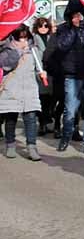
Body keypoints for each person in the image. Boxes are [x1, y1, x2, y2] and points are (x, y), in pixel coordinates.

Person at [52, 0, 84, 154]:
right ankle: (65, 137)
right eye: (75, 15)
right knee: (70, 110)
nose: (78, 18)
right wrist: (74, 29)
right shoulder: (63, 29)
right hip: (72, 75)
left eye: (80, 15)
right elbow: (62, 46)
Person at [1, 25, 46, 161]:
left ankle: (32, 147)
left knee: (31, 118)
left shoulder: (33, 49)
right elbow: (6, 64)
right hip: (11, 88)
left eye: (25, 37)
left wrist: (42, 74)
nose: (23, 40)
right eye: (20, 37)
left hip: (30, 88)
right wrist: (19, 51)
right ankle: (10, 145)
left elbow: (38, 67)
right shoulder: (6, 48)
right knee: (11, 118)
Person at [32, 18, 56, 136]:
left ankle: (47, 121)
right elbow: (35, 57)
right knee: (42, 100)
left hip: (52, 72)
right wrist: (40, 71)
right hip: (40, 72)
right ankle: (42, 124)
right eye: (41, 26)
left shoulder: (51, 38)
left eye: (46, 26)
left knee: (51, 100)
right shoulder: (34, 41)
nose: (43, 28)